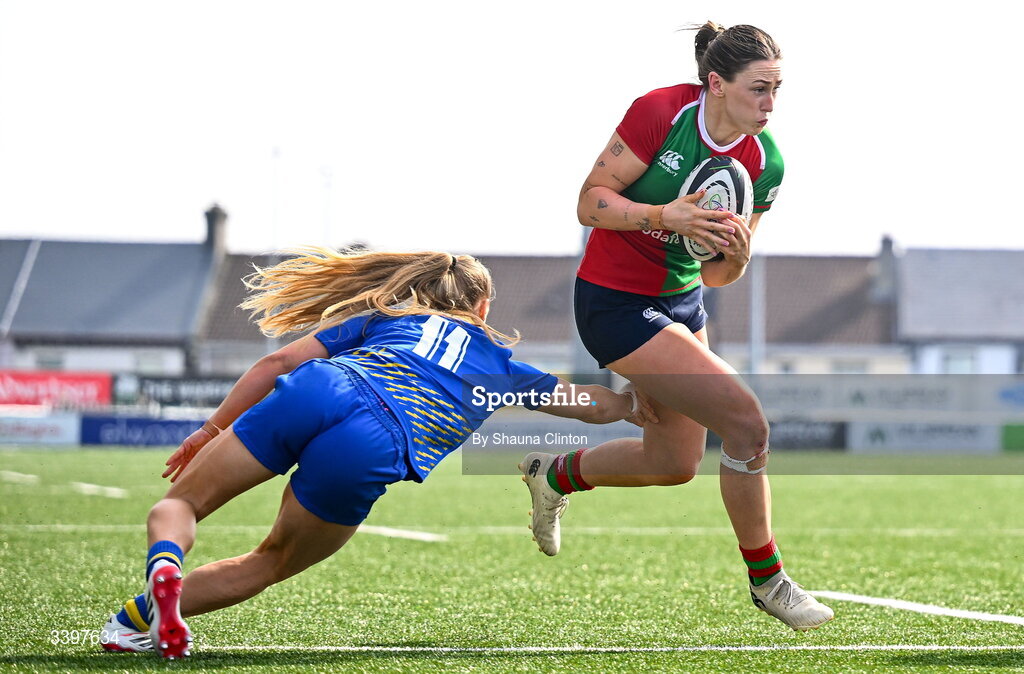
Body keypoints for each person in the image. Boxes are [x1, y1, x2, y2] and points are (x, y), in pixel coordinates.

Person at [97, 249, 655, 659]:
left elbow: (275, 365)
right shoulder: (503, 367)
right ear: (482, 307)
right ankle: (139, 620)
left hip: (323, 388)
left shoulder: (386, 319)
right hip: (378, 444)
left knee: (181, 506)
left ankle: (154, 584)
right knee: (271, 559)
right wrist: (642, 400)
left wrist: (210, 428)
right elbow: (593, 407)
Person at [518, 22, 834, 631]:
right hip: (612, 303)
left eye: (777, 90)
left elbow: (718, 277)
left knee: (672, 464)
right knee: (747, 424)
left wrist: (736, 257)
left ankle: (552, 474)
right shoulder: (660, 113)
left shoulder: (766, 162)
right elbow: (590, 202)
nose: (770, 104)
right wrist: (663, 214)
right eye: (759, 89)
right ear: (716, 83)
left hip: (683, 306)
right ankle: (769, 582)